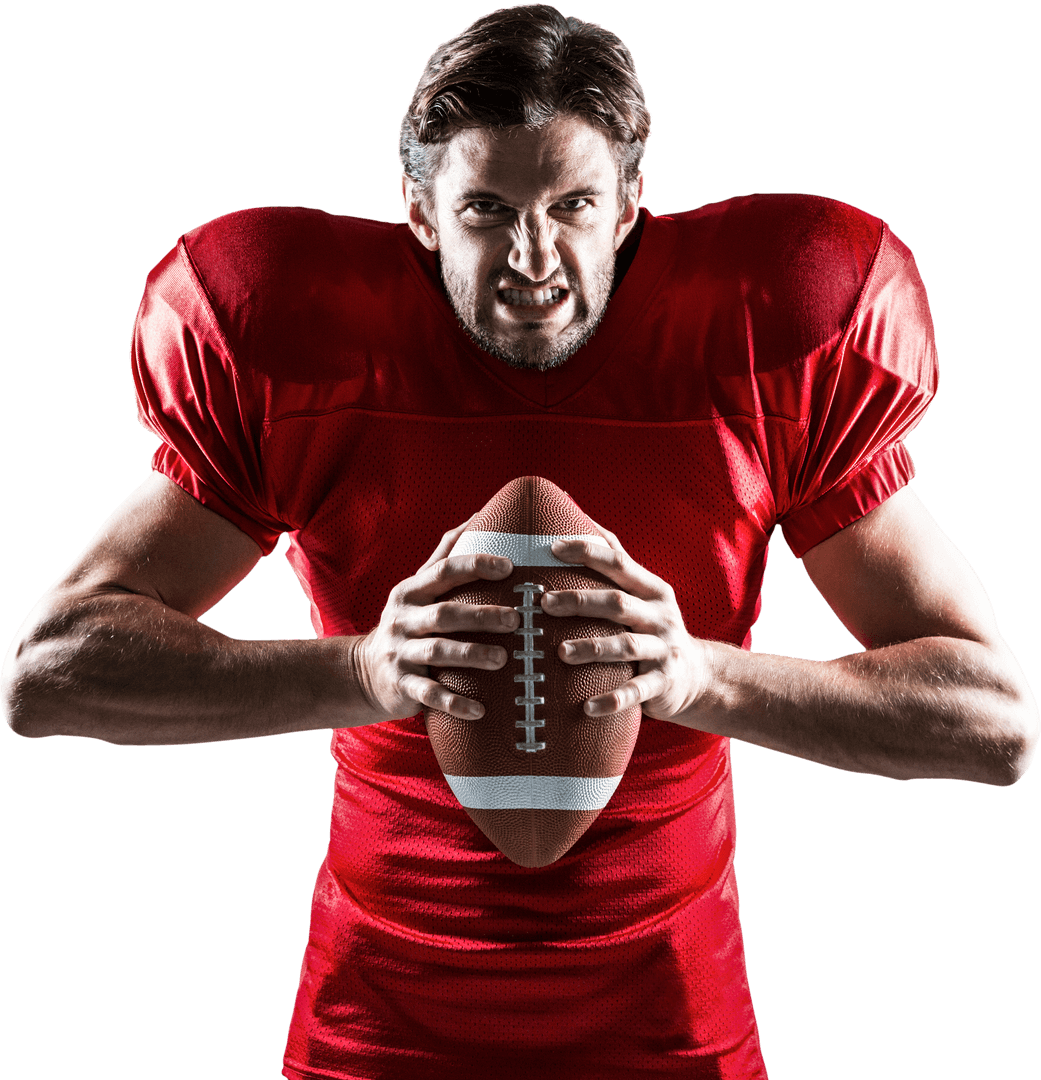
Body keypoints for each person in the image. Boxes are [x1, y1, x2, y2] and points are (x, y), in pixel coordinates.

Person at [2, 4, 1036, 1078]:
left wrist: (696, 675)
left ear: (632, 202)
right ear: (421, 210)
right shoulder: (307, 349)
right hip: (379, 1019)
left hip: (672, 1022)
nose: (534, 255)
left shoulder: (756, 340)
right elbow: (50, 673)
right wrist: (361, 669)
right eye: (489, 207)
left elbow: (993, 721)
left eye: (574, 204)